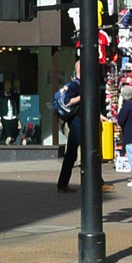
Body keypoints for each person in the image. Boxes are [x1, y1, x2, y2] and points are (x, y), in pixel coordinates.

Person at [57, 62, 82, 193]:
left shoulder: (85, 84)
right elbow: (68, 101)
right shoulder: (74, 85)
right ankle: (96, 182)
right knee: (89, 148)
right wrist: (81, 97)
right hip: (76, 120)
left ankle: (62, 184)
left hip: (82, 119)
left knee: (71, 153)